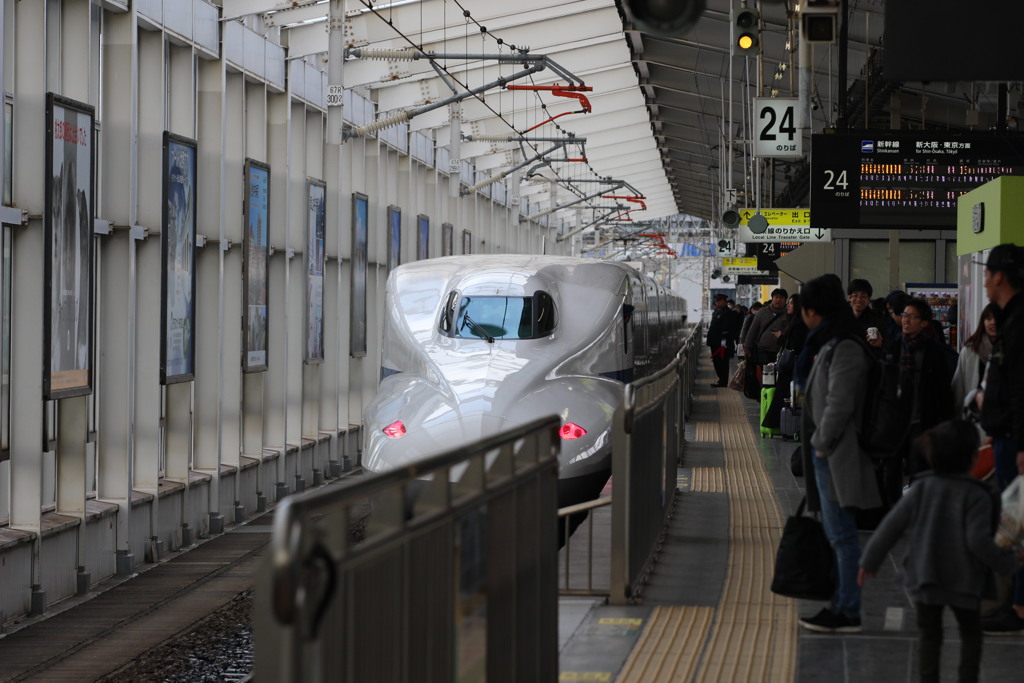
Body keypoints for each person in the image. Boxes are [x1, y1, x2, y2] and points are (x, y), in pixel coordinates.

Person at [859, 420, 1021, 683]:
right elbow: (979, 542)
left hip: (925, 577)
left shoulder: (920, 488)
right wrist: (1009, 564)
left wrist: (869, 562)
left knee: (930, 637)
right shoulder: (977, 495)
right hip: (965, 582)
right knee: (970, 635)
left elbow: (890, 527)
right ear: (972, 457)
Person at [798, 275, 882, 633]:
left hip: (836, 452)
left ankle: (848, 609)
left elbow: (839, 403)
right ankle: (840, 602)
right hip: (830, 451)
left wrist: (820, 445)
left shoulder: (844, 345)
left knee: (843, 535)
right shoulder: (834, 340)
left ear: (811, 311)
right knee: (837, 532)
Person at [976, 243, 1024, 634]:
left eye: (987, 274)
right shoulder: (1012, 319)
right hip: (1007, 438)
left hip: (1015, 442)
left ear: (999, 276)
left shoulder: (1020, 322)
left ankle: (1019, 606)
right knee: (1015, 522)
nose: (985, 282)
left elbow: (1023, 389)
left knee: (1020, 523)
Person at [951, 303, 998, 421]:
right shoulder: (969, 351)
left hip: (1000, 419)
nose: (993, 322)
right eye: (988, 318)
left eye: (997, 318)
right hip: (972, 416)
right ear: (983, 322)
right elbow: (958, 388)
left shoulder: (1010, 350)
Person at [744, 288, 788, 366]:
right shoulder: (762, 312)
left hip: (781, 350)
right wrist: (747, 347)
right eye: (776, 297)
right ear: (772, 298)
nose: (778, 300)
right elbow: (752, 330)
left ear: (785, 300)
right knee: (765, 373)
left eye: (781, 298)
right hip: (763, 349)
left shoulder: (788, 314)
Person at [707, 293, 740, 387]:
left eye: (719, 301)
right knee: (716, 361)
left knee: (722, 362)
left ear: (724, 301)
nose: (717, 302)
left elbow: (727, 328)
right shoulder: (718, 311)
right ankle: (721, 379)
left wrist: (724, 341)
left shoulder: (728, 312)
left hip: (722, 343)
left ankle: (723, 381)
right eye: (717, 301)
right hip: (714, 342)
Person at [848, 278, 885, 350]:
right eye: (855, 295)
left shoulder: (877, 319)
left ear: (869, 300)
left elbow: (886, 346)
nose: (859, 299)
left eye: (863, 296)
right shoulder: (842, 318)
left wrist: (881, 344)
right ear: (849, 298)